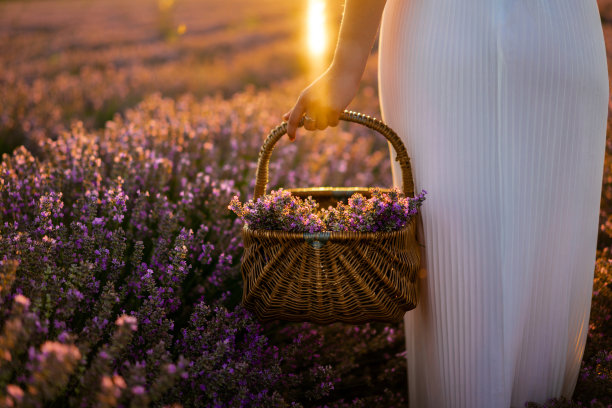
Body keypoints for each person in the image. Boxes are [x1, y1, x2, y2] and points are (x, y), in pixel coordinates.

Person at [283, 0, 609, 407]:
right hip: (561, 33)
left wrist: (347, 64)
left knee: (460, 270)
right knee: (544, 254)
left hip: (448, 30)